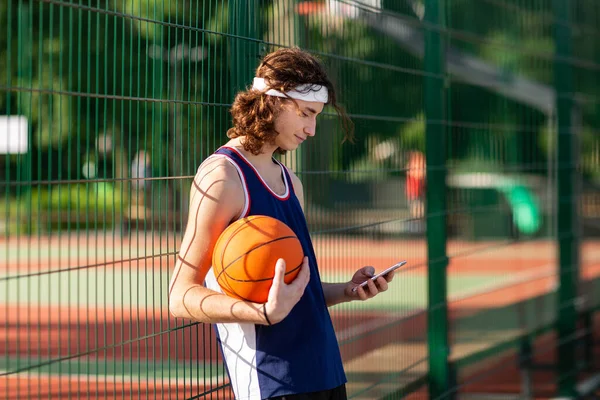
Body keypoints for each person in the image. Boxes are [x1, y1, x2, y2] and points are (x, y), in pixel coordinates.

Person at [168, 47, 396, 400]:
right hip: (271, 379)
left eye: (317, 116)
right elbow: (180, 296)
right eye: (306, 113)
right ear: (272, 101)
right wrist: (260, 313)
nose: (312, 129)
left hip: (325, 369)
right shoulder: (223, 176)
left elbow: (294, 289)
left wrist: (347, 291)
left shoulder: (291, 181)